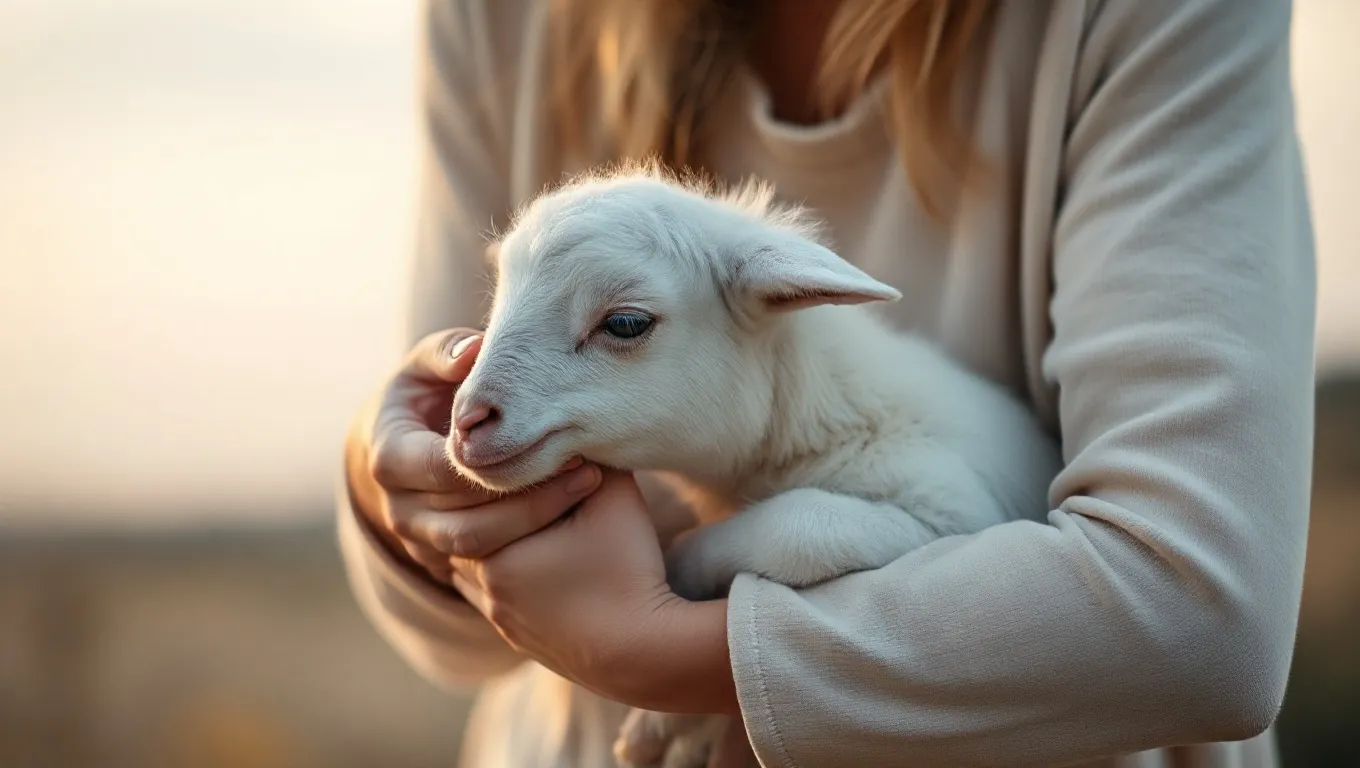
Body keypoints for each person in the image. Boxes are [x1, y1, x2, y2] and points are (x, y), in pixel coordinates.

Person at [337, 0, 1317, 765]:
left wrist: (664, 635)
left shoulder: (880, 437)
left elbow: (1195, 618)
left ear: (788, 300)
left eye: (624, 326)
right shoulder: (501, 21)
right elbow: (458, 640)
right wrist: (397, 486)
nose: (481, 408)